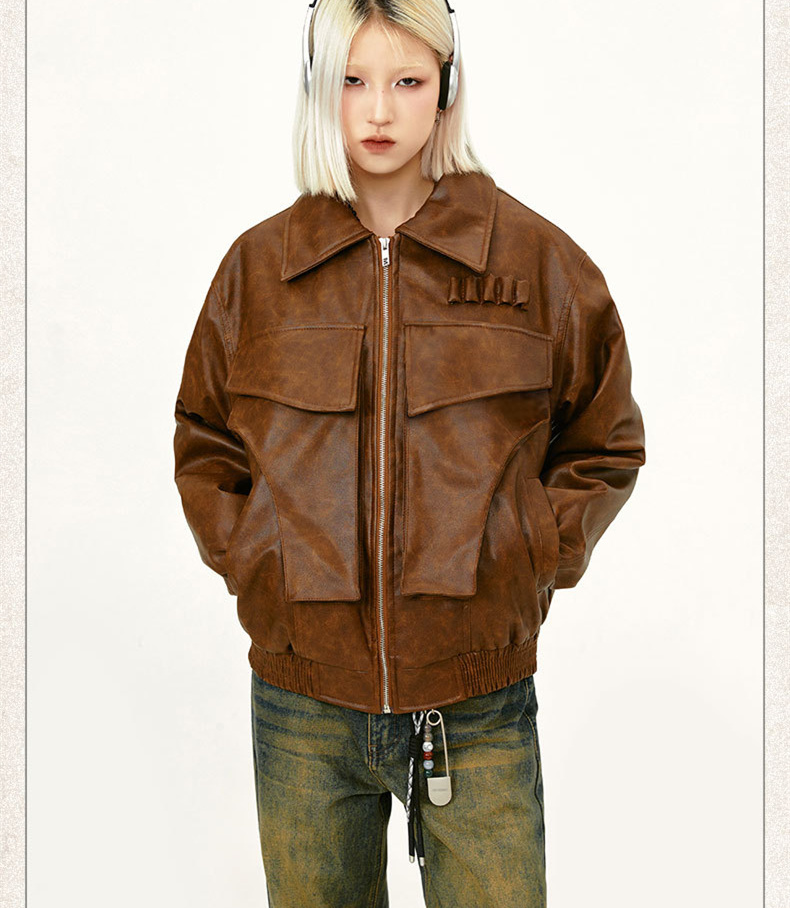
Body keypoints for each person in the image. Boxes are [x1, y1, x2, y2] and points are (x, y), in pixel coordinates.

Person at [172, 0, 647, 905]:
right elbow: (205, 439)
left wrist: (528, 552)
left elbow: (604, 438)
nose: (379, 111)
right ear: (318, 90)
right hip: (303, 708)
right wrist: (257, 557)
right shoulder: (258, 271)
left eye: (407, 81)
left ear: (447, 88)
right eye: (352, 81)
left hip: (477, 704)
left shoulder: (535, 263)